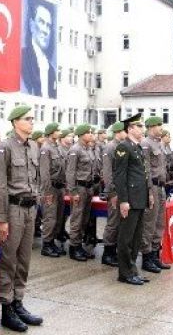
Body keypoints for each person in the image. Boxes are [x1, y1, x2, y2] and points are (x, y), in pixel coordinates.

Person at [0, 105, 44, 331]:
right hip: (12, 209)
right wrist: (1, 218)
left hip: (30, 208)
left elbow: (38, 178)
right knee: (8, 260)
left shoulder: (33, 146)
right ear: (15, 122)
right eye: (28, 119)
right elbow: (0, 186)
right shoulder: (4, 147)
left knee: (24, 259)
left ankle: (18, 301)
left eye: (33, 118)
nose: (32, 122)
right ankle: (6, 308)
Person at [113, 114, 151, 286]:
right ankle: (125, 273)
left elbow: (142, 175)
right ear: (130, 129)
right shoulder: (123, 148)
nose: (142, 129)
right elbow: (120, 177)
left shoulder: (137, 148)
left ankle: (133, 269)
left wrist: (148, 194)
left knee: (136, 238)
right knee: (126, 238)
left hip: (140, 198)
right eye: (139, 126)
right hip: (130, 199)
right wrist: (123, 201)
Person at [139, 117, 170, 273]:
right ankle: (146, 257)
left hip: (161, 187)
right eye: (159, 125)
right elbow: (146, 170)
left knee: (159, 223)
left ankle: (155, 255)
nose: (161, 128)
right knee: (149, 223)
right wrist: (149, 190)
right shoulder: (145, 144)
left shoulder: (159, 143)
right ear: (151, 127)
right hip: (152, 187)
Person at [65, 123, 100, 262]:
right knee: (77, 219)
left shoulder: (89, 149)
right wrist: (73, 191)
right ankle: (74, 247)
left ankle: (79, 244)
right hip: (79, 188)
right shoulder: (75, 150)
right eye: (88, 132)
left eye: (91, 132)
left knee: (84, 219)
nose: (91, 134)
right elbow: (70, 172)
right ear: (81, 134)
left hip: (88, 188)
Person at [100, 121, 126, 267]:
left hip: (122, 190)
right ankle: (107, 253)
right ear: (118, 132)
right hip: (114, 191)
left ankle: (114, 250)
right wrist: (112, 192)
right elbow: (108, 173)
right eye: (124, 131)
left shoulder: (121, 146)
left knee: (120, 222)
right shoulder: (110, 147)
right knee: (113, 223)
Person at [39, 122, 66, 258]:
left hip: (60, 187)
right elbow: (44, 174)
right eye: (57, 130)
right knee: (50, 218)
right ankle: (46, 244)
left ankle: (52, 241)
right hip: (51, 188)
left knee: (58, 217)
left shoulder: (58, 147)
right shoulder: (46, 149)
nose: (60, 132)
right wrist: (47, 192)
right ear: (51, 132)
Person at [20, 2, 56, 98]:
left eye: (48, 26)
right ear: (31, 25)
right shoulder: (22, 57)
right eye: (41, 22)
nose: (45, 30)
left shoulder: (51, 70)